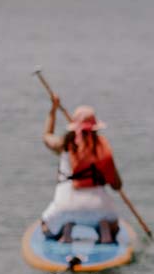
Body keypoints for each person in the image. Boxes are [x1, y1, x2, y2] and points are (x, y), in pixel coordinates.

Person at [40, 99, 123, 244]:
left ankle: (67, 226)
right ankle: (104, 228)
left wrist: (52, 111)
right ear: (96, 128)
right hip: (99, 207)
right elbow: (116, 185)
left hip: (65, 205)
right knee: (114, 227)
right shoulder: (102, 148)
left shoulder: (64, 144)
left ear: (74, 127)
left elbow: (46, 136)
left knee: (46, 228)